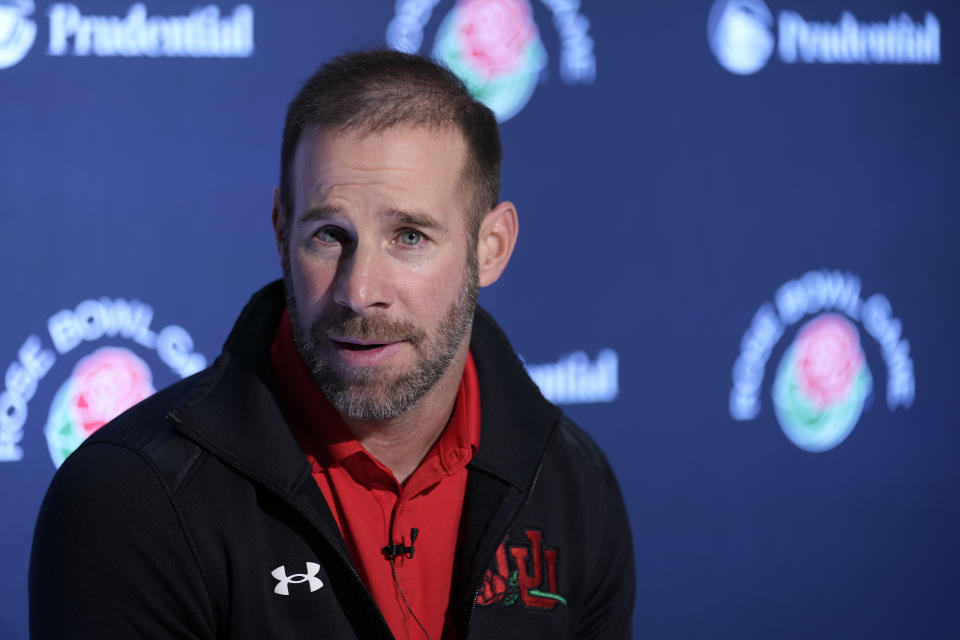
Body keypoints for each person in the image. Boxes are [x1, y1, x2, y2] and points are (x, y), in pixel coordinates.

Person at [29, 50, 635, 639]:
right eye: (328, 236)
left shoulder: (572, 485)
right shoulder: (131, 499)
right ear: (280, 231)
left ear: (492, 247)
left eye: (409, 236)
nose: (359, 290)